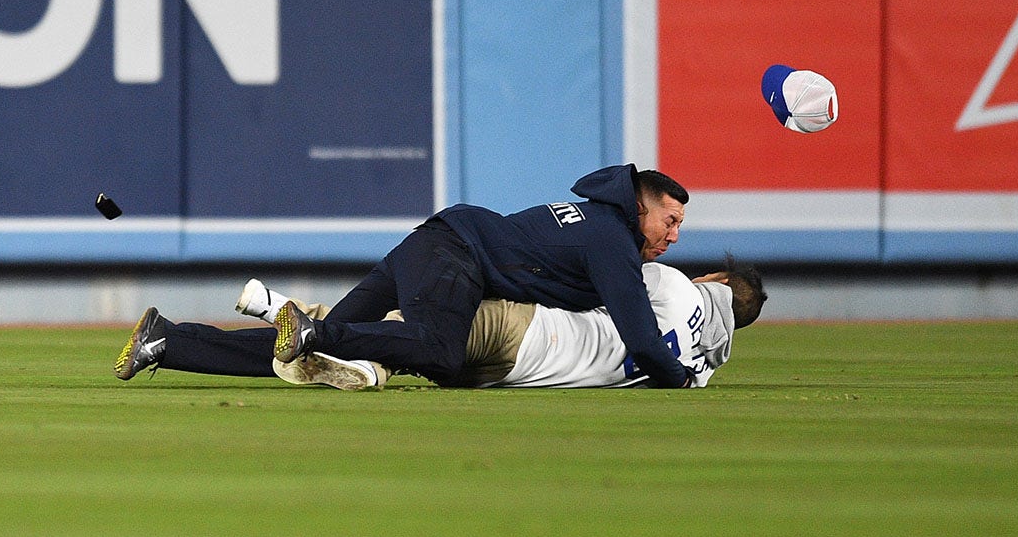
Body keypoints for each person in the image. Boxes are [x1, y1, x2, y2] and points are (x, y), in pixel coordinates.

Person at [117, 164, 696, 387]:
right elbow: (643, 340)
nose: (673, 235)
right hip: (454, 258)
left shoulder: (597, 226)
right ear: (640, 206)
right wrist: (686, 379)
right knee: (441, 353)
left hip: (433, 246)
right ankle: (315, 330)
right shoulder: (612, 239)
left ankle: (166, 340)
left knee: (296, 361)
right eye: (669, 220)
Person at [113, 257, 766, 390]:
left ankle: (278, 312)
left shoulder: (670, 283)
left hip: (505, 319)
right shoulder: (702, 372)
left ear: (715, 280)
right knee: (336, 347)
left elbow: (586, 286)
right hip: (512, 367)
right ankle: (181, 338)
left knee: (327, 346)